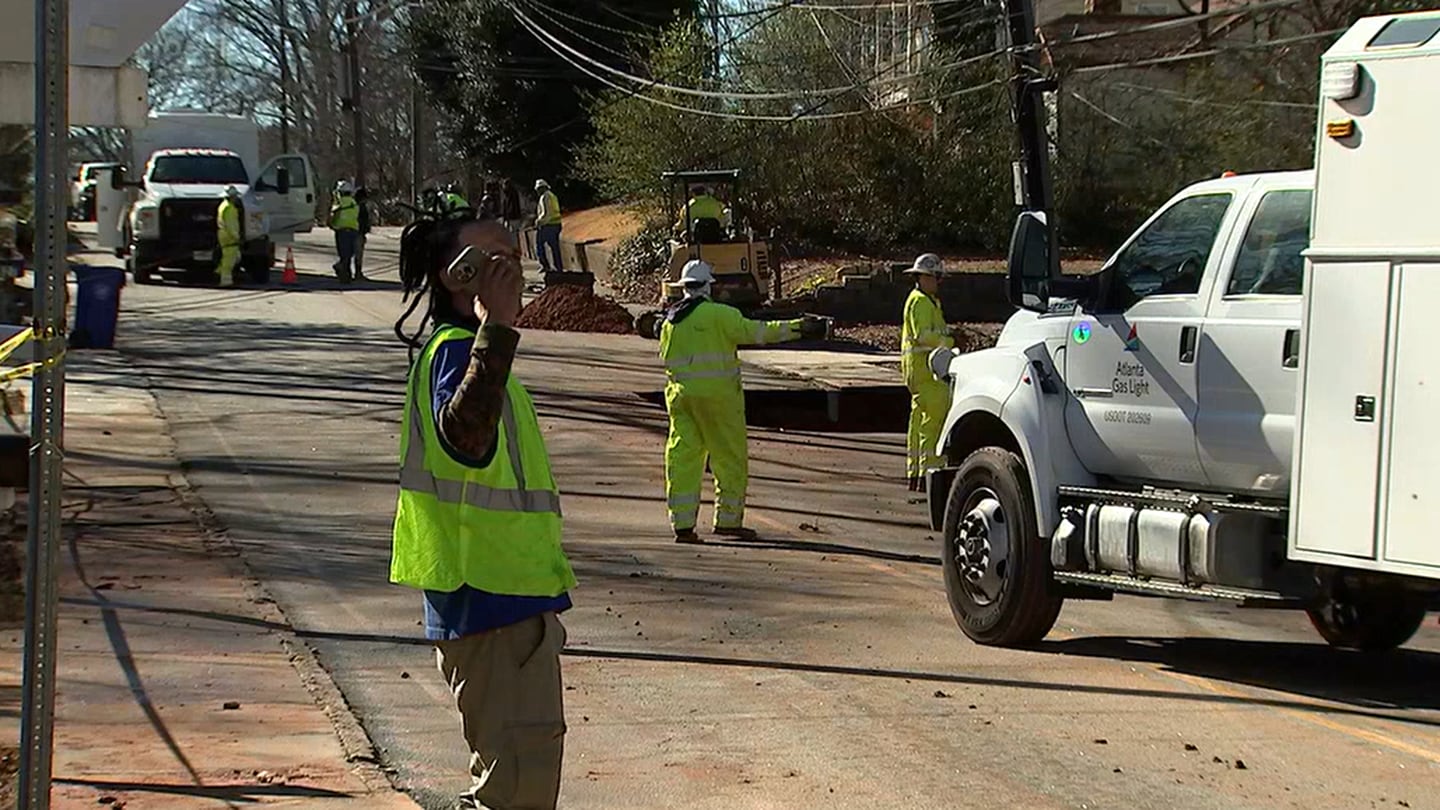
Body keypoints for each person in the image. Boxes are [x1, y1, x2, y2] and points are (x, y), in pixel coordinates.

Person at [391, 208, 576, 810]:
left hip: (505, 599)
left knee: (517, 779)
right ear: (456, 276)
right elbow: (465, 435)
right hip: (490, 599)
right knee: (514, 792)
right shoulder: (455, 352)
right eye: (490, 256)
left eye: (509, 251)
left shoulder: (471, 352)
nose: (508, 262)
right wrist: (496, 326)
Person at [657, 260, 827, 543]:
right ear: (708, 286)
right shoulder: (720, 315)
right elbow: (759, 331)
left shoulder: (670, 323)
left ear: (683, 288)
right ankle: (727, 521)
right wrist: (799, 328)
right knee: (729, 458)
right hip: (719, 400)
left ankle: (682, 524)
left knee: (682, 458)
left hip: (681, 400)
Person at [900, 253, 955, 492]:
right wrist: (949, 341)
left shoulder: (923, 300)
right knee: (935, 423)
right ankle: (931, 475)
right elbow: (924, 335)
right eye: (935, 278)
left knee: (919, 424)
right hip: (928, 372)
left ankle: (916, 473)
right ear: (924, 278)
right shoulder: (921, 302)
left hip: (918, 373)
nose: (937, 283)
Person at [330, 180, 361, 282]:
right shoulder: (354, 202)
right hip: (354, 230)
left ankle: (342, 271)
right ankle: (346, 274)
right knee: (349, 254)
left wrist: (332, 224)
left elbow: (333, 215)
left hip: (341, 230)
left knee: (344, 254)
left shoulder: (339, 203)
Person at [215, 185, 244, 288]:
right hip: (229, 236)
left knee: (229, 257)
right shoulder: (230, 208)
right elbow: (231, 225)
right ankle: (225, 281)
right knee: (229, 260)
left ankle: (219, 271)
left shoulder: (223, 205)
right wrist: (237, 237)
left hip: (223, 234)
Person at [534, 179, 563, 272]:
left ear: (542, 188)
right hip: (556, 224)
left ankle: (545, 265)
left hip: (548, 225)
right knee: (555, 248)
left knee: (539, 245)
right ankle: (558, 267)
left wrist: (539, 222)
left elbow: (546, 214)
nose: (537, 191)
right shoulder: (552, 196)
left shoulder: (545, 197)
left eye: (538, 189)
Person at [354, 186, 372, 283]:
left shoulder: (354, 206)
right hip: (359, 233)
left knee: (351, 254)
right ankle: (358, 273)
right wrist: (365, 230)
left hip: (354, 232)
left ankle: (352, 273)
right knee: (358, 254)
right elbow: (363, 221)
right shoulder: (361, 208)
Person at [501, 179, 523, 245]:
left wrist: (507, 217)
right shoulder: (507, 194)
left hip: (513, 218)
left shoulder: (512, 194)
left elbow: (512, 207)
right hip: (510, 218)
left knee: (513, 234)